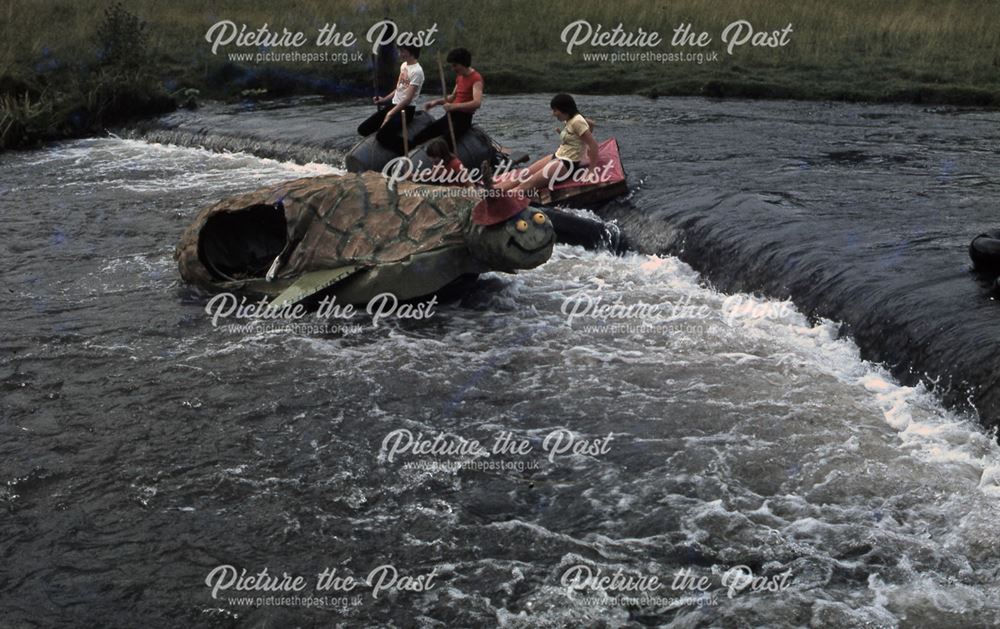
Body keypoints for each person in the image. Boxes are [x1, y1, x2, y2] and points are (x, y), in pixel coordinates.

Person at [496, 93, 600, 195]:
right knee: (522, 175)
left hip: (567, 164)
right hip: (558, 156)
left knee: (525, 186)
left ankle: (497, 202)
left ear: (565, 109)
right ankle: (491, 190)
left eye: (555, 110)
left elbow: (593, 145)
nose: (553, 114)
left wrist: (591, 171)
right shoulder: (570, 118)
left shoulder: (577, 121)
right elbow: (590, 123)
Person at [356, 44, 424, 154]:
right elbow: (399, 88)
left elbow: (407, 99)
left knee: (382, 136)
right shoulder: (404, 66)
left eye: (402, 51)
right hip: (394, 106)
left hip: (405, 110)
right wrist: (384, 100)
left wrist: (390, 114)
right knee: (363, 129)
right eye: (399, 51)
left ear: (411, 52)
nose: (399, 54)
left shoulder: (417, 71)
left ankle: (412, 148)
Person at [411, 48, 482, 150]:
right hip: (450, 115)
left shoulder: (476, 78)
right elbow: (452, 97)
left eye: (455, 65)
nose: (453, 68)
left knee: (445, 143)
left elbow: (477, 103)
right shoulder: (459, 77)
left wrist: (453, 106)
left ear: (463, 63)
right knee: (421, 136)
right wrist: (435, 102)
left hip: (463, 119)